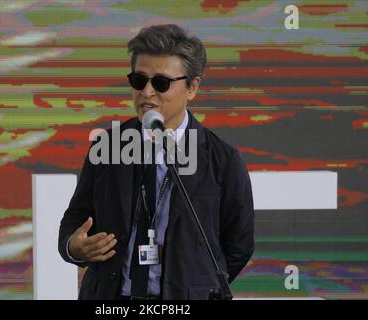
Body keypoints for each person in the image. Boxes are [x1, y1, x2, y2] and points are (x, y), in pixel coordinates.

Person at [58, 24, 254, 300]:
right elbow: (76, 217)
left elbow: (239, 245)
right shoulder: (106, 146)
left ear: (192, 87)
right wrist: (73, 247)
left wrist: (195, 286)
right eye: (139, 80)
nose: (147, 92)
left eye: (161, 83)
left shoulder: (222, 160)